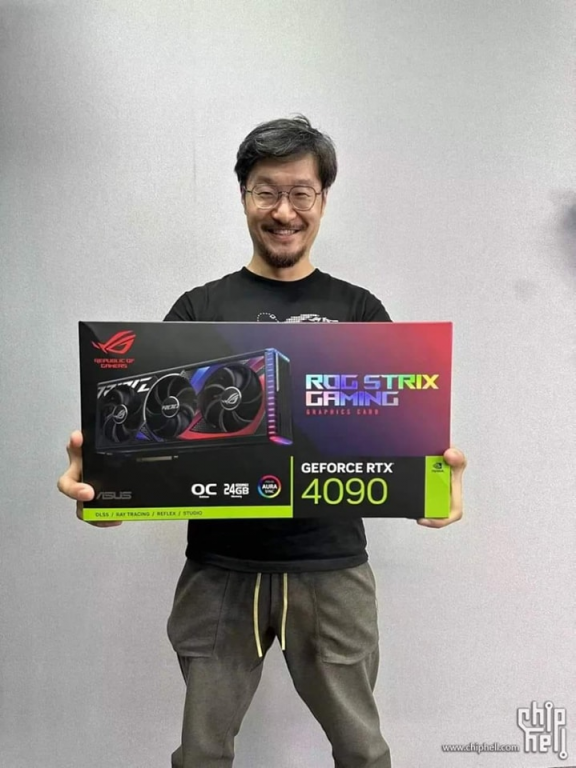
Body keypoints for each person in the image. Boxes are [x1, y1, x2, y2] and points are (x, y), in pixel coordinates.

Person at [58, 115, 467, 768]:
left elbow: (400, 439)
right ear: (244, 195)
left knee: (363, 752)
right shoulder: (198, 311)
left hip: (331, 567)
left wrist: (434, 484)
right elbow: (145, 441)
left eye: (301, 192)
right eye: (266, 191)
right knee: (202, 754)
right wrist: (103, 487)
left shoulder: (359, 311)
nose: (283, 211)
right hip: (220, 570)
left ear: (322, 199)